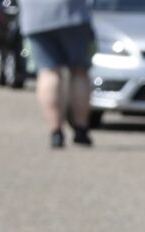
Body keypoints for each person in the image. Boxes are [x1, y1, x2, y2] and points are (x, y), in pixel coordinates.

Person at [22, 0, 94, 149]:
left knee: (48, 72)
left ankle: (56, 132)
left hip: (35, 15)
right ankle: (81, 130)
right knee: (79, 71)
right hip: (72, 12)